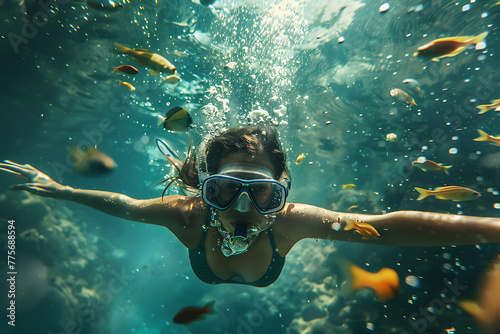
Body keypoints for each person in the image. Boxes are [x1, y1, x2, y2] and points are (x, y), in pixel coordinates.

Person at [1, 126, 500, 287]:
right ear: (203, 191)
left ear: (282, 191)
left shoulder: (290, 222)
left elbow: (384, 228)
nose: (243, 204)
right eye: (224, 189)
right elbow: (125, 203)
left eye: (261, 191)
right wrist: (60, 189)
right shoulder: (186, 214)